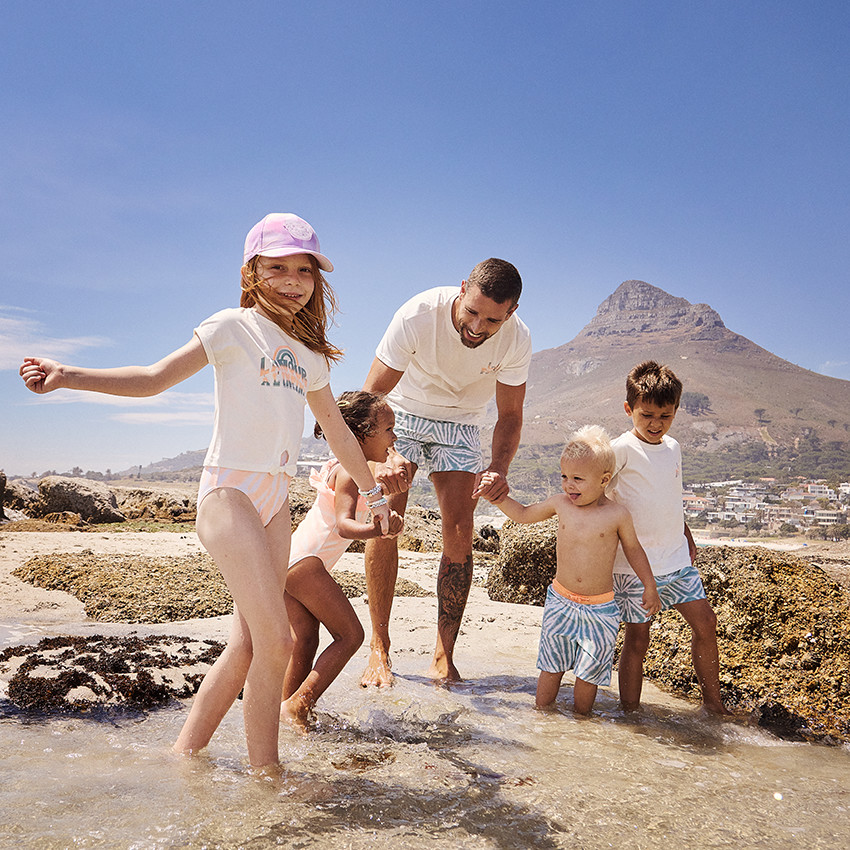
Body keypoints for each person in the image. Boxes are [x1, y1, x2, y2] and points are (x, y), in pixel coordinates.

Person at [19, 213, 392, 771]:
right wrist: (68, 374)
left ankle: (184, 755)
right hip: (229, 494)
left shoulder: (311, 355)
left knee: (246, 643)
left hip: (275, 500)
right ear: (251, 271)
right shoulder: (230, 327)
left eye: (304, 270)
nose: (293, 281)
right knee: (278, 642)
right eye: (278, 268)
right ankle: (268, 773)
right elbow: (153, 378)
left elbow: (338, 431)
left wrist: (375, 494)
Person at [361, 258, 532, 686]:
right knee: (386, 523)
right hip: (401, 412)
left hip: (462, 423)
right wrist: (387, 453)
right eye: (472, 312)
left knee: (459, 529)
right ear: (461, 290)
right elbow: (372, 396)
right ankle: (378, 649)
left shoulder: (516, 339)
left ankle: (444, 656)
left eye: (492, 319)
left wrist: (498, 468)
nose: (477, 326)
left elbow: (510, 415)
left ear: (509, 313)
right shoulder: (419, 314)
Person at [480, 426, 660, 714]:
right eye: (564, 477)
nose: (569, 485)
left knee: (588, 677)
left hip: (600, 611)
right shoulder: (560, 504)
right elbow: (525, 515)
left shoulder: (616, 514)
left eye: (578, 479)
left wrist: (649, 585)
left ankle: (581, 725)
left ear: (603, 480)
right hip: (560, 603)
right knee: (550, 668)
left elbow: (634, 549)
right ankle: (542, 718)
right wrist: (499, 500)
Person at [608, 360, 731, 715]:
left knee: (706, 622)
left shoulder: (674, 447)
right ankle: (630, 713)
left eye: (665, 416)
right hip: (635, 567)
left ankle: (714, 706)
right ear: (629, 409)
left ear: (676, 411)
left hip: (676, 560)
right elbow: (599, 498)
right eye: (647, 415)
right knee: (638, 638)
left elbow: (669, 494)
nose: (655, 424)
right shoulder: (620, 450)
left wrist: (686, 533)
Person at [282, 391, 404, 726]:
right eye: (389, 429)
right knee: (351, 636)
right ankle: (300, 705)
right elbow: (345, 525)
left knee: (305, 640)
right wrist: (377, 532)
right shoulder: (351, 472)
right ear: (363, 433)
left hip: (292, 561)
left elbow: (371, 514)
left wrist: (389, 524)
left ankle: (285, 709)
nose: (394, 436)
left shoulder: (351, 468)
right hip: (306, 564)